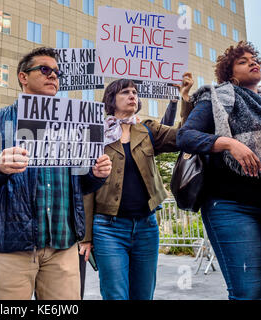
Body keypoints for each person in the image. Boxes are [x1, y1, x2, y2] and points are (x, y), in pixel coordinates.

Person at [0, 47, 112, 300]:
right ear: (23, 76)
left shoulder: (73, 124)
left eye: (56, 72)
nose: (53, 75)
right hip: (9, 247)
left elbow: (79, 186)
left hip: (62, 245)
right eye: (44, 69)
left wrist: (95, 174)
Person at [79, 74, 194, 300]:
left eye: (134, 92)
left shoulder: (148, 129)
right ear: (111, 99)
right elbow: (86, 187)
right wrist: (86, 236)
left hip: (146, 227)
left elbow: (185, 135)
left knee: (143, 294)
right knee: (115, 294)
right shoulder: (94, 134)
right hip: (108, 228)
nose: (132, 95)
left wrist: (185, 98)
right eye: (125, 92)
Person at [177, 41, 261, 300]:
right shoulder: (216, 96)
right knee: (248, 292)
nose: (252, 63)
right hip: (231, 205)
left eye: (254, 59)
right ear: (231, 73)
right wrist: (228, 143)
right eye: (243, 61)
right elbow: (185, 136)